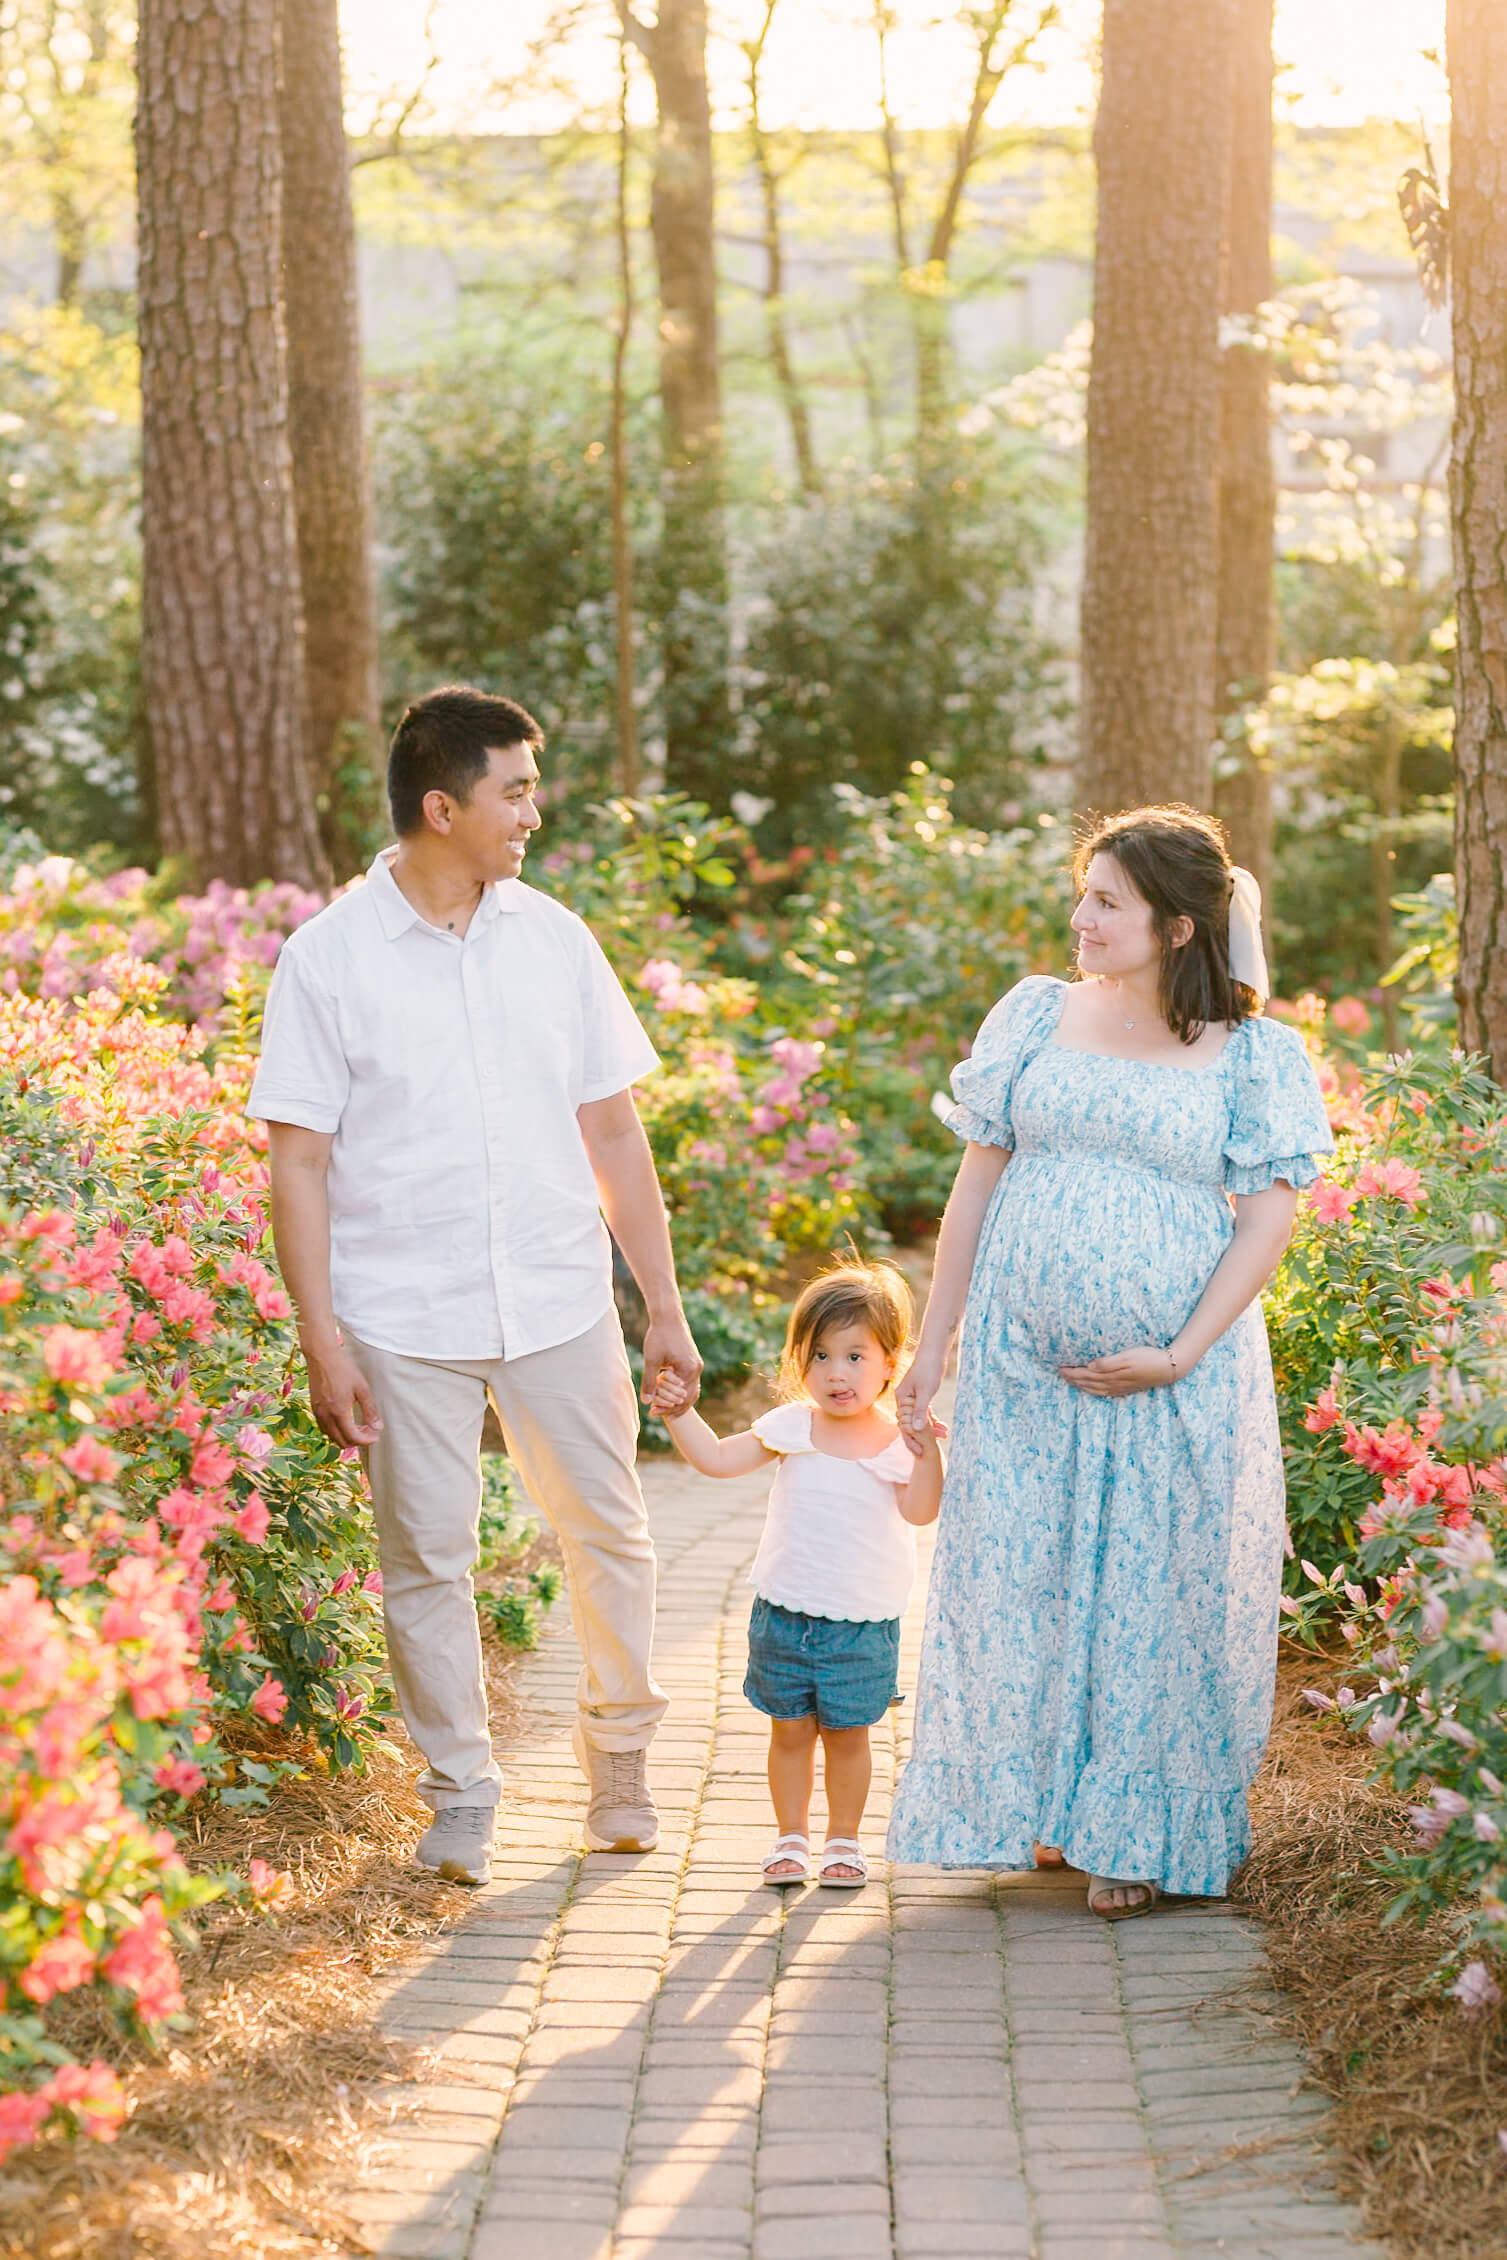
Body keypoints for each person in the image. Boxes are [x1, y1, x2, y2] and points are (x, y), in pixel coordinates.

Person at [248, 684, 702, 1884]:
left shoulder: (553, 938)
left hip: (556, 1297)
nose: (534, 814)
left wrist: (660, 1299)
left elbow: (612, 1133)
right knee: (425, 1561)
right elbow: (297, 1161)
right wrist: (323, 1336)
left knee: (610, 1533)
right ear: (442, 807)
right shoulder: (328, 959)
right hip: (400, 1315)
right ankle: (460, 1792)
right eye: (517, 791)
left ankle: (619, 1761)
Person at [887, 804, 1333, 1918]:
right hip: (1019, 1359)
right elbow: (977, 1183)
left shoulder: (1252, 1054)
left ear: (1178, 926)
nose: (1079, 916)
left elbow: (1264, 1221)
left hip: (1172, 1371)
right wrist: (929, 1344)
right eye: (1082, 891)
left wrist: (1179, 1352)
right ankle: (1045, 1806)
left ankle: (1132, 1832)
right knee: (1023, 1573)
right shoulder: (1036, 1014)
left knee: (1150, 1589)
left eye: (1106, 900)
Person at [652, 1262, 944, 1889]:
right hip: (784, 1613)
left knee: (848, 1738)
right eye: (819, 1356)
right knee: (789, 1734)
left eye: (855, 1355)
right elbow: (717, 1459)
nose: (836, 1373)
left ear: (891, 1362)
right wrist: (679, 1414)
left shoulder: (898, 1443)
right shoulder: (792, 1427)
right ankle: (791, 1839)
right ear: (799, 1361)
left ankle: (843, 1842)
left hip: (863, 1624)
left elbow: (921, 1512)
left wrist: (929, 1454)